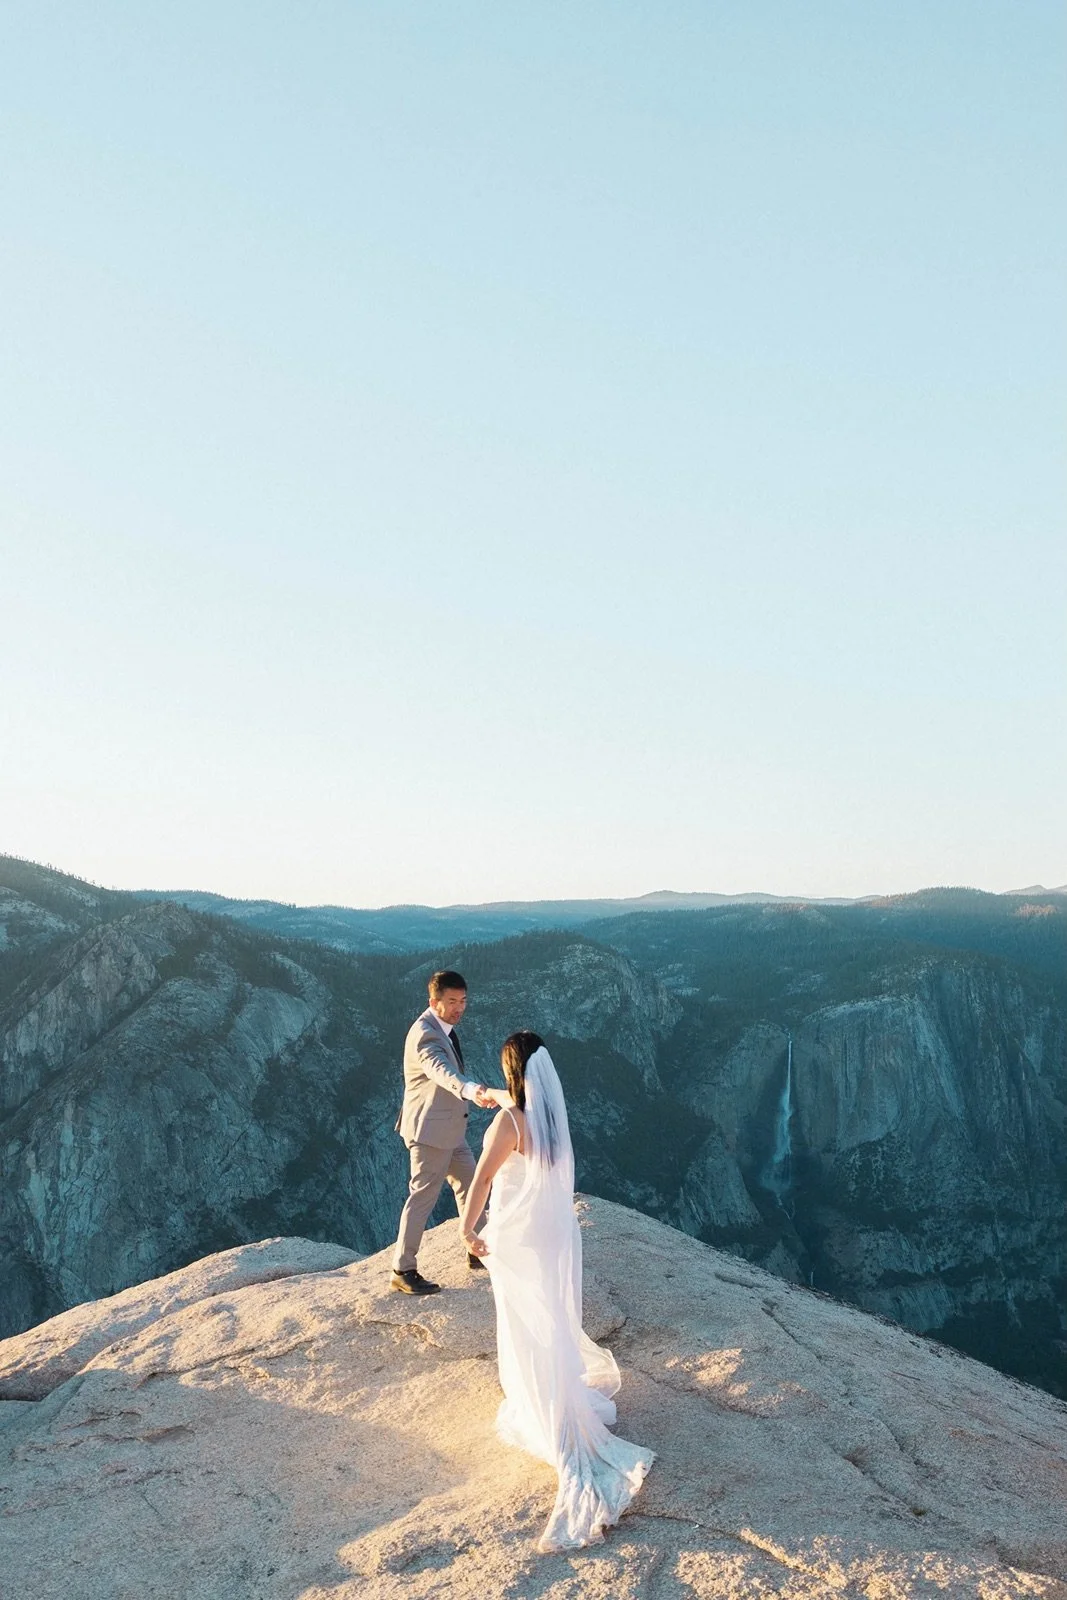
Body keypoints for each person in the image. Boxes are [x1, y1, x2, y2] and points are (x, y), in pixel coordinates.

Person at [459, 1031, 654, 1552]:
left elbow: (480, 1180)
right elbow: (512, 1104)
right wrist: (489, 1095)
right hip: (550, 1235)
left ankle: (542, 1405)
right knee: (548, 1316)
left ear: (511, 1072)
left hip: (517, 1238)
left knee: (524, 1321)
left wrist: (467, 1228)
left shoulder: (510, 1122)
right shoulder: (548, 1119)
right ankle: (557, 1394)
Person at [391, 970, 503, 1295]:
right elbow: (439, 1070)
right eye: (452, 1001)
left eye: (463, 1001)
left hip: (449, 1132)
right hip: (430, 1134)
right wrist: (468, 1089)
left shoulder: (444, 1029)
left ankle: (477, 1250)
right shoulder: (426, 1035)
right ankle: (403, 1268)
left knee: (472, 1184)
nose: (459, 1008)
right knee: (422, 1197)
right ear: (434, 1002)